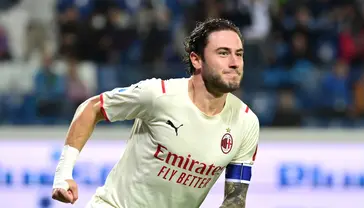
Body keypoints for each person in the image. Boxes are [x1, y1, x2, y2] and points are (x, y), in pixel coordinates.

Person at [52, 18, 260, 208]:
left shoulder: (246, 122)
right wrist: (63, 174)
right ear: (196, 60)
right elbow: (92, 107)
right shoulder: (158, 95)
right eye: (223, 53)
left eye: (239, 54)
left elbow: (235, 200)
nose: (234, 62)